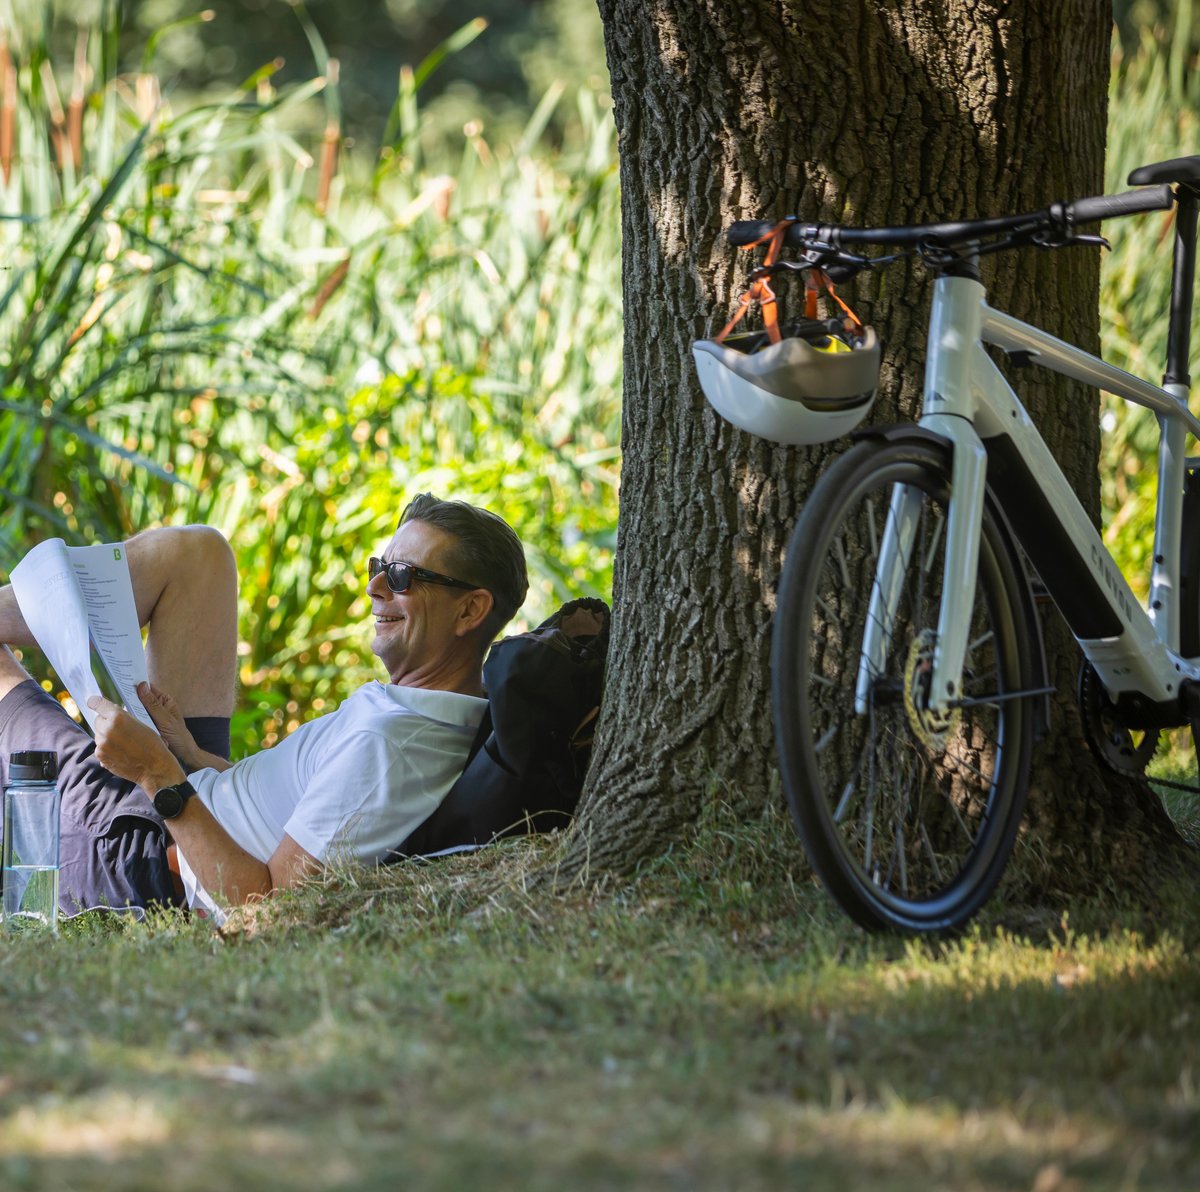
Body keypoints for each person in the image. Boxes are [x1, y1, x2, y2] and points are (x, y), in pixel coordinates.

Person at [0, 494, 527, 918]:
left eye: (404, 577)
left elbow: (265, 910)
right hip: (193, 799)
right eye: (379, 567)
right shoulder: (422, 711)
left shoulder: (392, 745)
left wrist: (158, 774)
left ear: (471, 610)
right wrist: (186, 753)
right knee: (199, 556)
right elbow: (297, 816)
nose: (374, 587)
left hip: (144, 855)